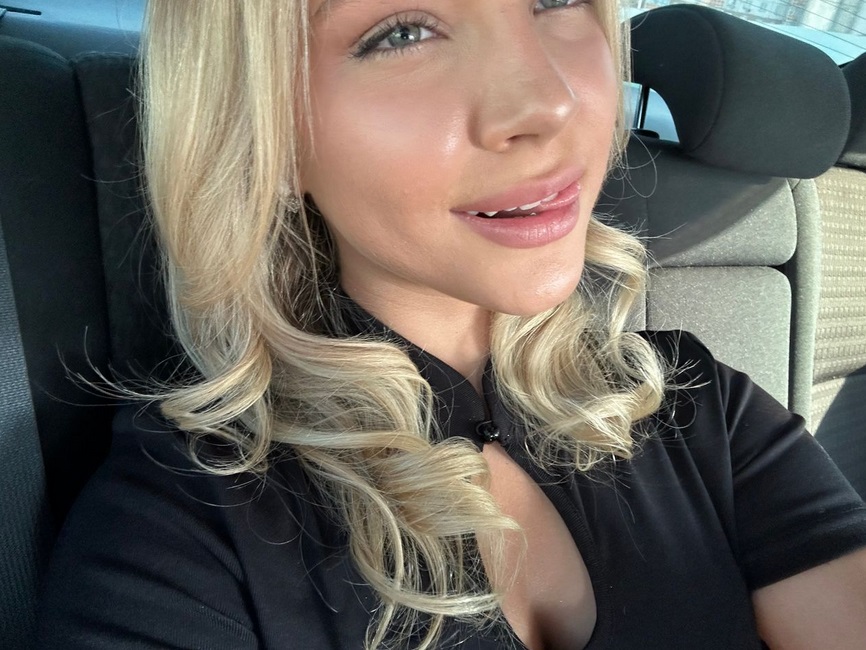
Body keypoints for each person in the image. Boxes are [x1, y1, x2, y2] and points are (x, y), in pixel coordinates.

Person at [37, 0, 866, 648]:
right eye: (402, 32)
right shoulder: (188, 520)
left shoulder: (696, 405)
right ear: (270, 134)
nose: (548, 100)